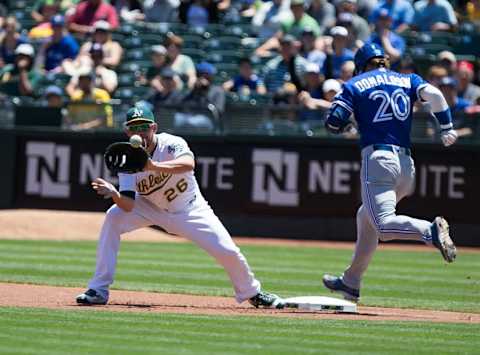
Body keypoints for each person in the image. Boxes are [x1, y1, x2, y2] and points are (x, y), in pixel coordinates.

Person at [76, 105, 284, 309]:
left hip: (190, 209)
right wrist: (115, 194)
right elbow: (129, 205)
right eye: (134, 127)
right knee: (114, 216)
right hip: (150, 207)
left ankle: (252, 293)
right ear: (127, 131)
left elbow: (188, 164)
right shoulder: (127, 160)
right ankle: (98, 290)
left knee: (228, 251)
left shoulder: (171, 143)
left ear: (154, 128)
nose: (140, 132)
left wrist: (154, 167)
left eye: (144, 127)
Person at [322, 43, 457, 302]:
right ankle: (351, 282)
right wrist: (446, 127)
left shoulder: (355, 84)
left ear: (361, 64)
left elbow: (333, 121)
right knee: (366, 216)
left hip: (379, 159)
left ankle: (430, 231)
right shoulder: (407, 79)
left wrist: (347, 122)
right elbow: (437, 96)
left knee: (382, 225)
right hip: (406, 165)